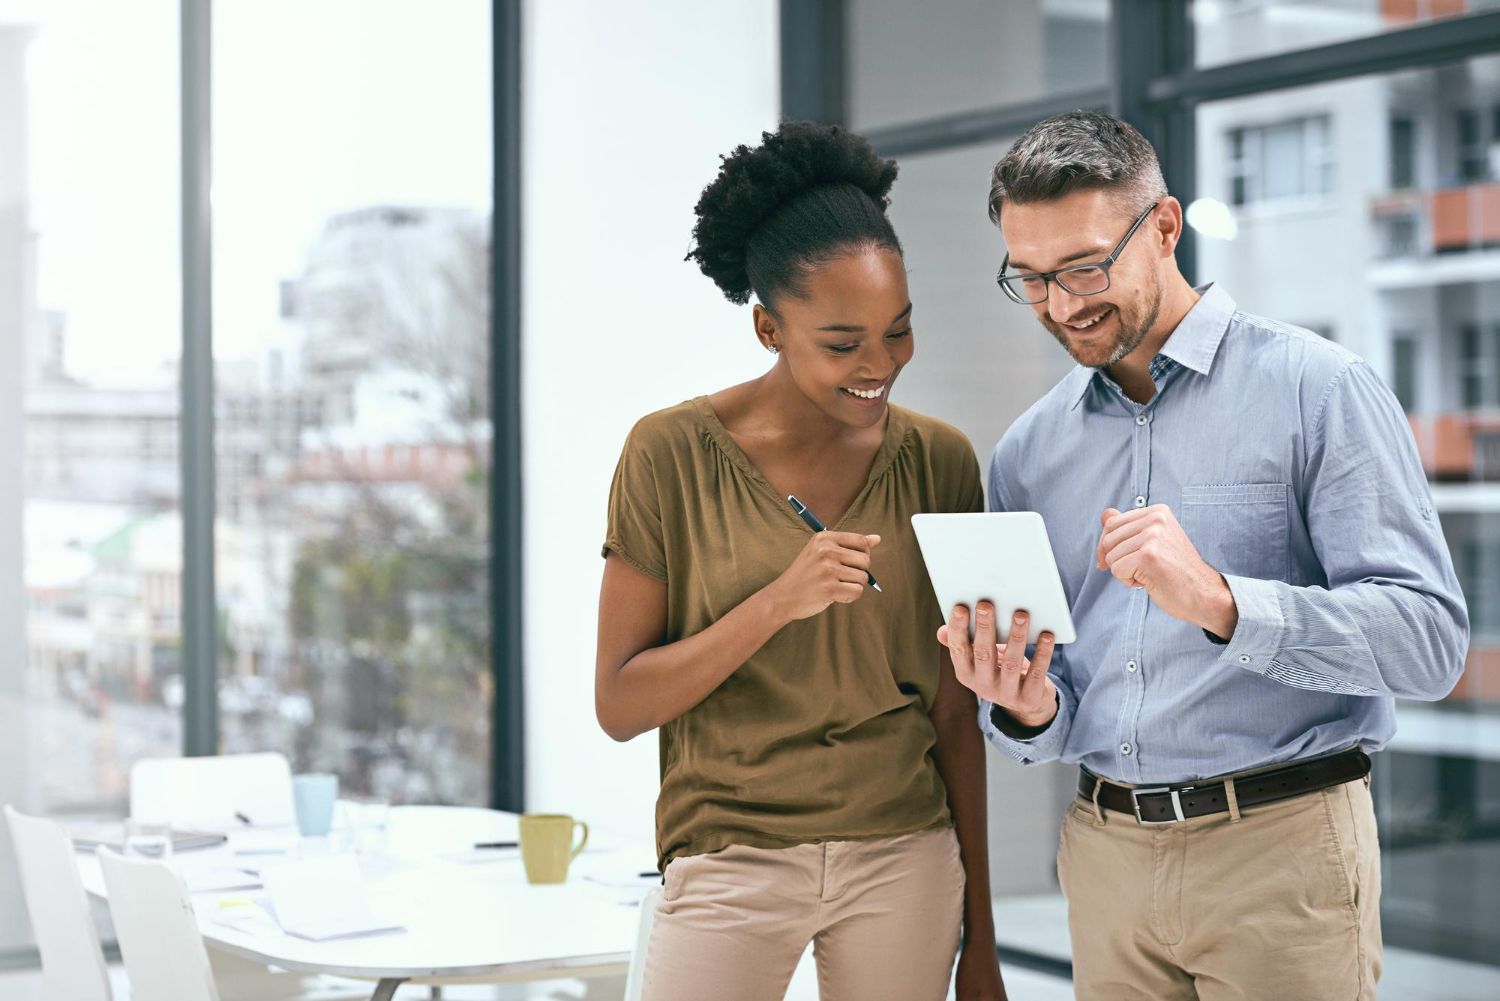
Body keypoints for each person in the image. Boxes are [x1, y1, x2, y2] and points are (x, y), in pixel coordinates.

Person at [940, 110, 1469, 1001]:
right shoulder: (1029, 453)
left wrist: (1224, 601)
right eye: (1029, 279)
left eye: (1085, 266)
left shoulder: (1318, 389)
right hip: (1106, 856)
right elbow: (1055, 709)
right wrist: (1027, 709)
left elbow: (1430, 643)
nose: (1064, 304)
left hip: (1282, 852)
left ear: (1166, 228)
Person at [595, 121, 1007, 1001]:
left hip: (905, 853)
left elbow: (953, 713)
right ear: (768, 328)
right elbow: (621, 703)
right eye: (842, 341)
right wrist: (777, 601)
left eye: (898, 332)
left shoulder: (940, 460)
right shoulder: (668, 453)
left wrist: (983, 944)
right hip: (729, 857)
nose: (880, 365)